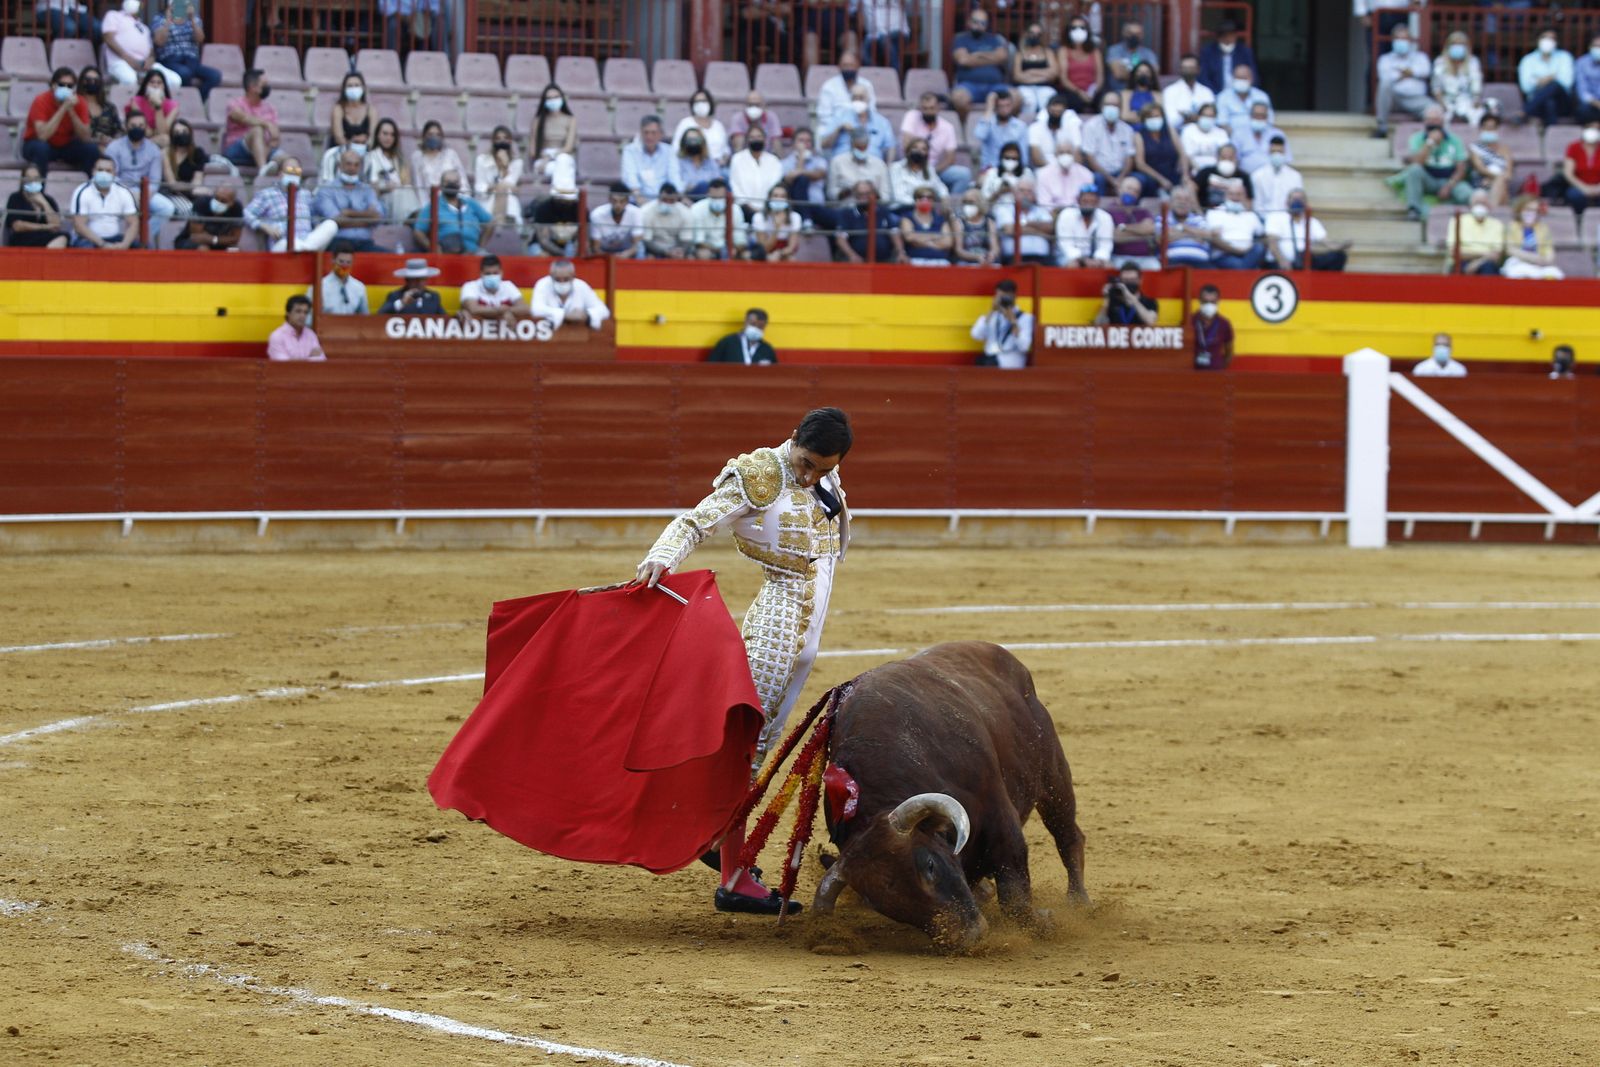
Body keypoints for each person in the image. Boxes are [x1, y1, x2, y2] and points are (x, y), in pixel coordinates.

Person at [634, 407, 853, 914]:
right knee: (749, 748)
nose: (810, 476)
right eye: (805, 463)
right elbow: (695, 520)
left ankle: (717, 842)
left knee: (762, 742)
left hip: (805, 630)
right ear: (793, 439)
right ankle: (732, 876)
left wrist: (822, 476)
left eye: (822, 468)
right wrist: (661, 558)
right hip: (777, 621)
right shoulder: (758, 473)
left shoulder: (825, 470)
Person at [105, 108, 176, 240]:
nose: (137, 128)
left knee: (167, 208)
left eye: (141, 126)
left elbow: (155, 180)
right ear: (126, 127)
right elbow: (112, 176)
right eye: (133, 126)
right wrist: (129, 193)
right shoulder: (114, 147)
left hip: (145, 193)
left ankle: (139, 238)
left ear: (146, 128)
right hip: (119, 192)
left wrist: (145, 195)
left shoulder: (153, 150)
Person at [243, 158, 337, 252]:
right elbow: (246, 213)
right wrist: (265, 226)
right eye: (289, 170)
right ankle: (307, 250)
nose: (293, 174)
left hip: (306, 239)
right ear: (280, 174)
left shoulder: (306, 194)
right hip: (282, 242)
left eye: (297, 171)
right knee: (292, 244)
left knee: (331, 224)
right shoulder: (267, 194)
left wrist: (317, 224)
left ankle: (305, 248)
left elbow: (313, 216)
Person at [1395, 105, 1470, 221]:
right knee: (1414, 170)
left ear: (1442, 121)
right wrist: (1430, 143)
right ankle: (1414, 210)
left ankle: (1469, 215)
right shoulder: (1417, 138)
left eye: (1436, 120)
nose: (1433, 123)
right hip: (1428, 178)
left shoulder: (1455, 140)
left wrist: (1449, 186)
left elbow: (1461, 167)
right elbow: (1417, 162)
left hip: (1449, 179)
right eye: (1429, 120)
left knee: (1466, 193)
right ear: (1424, 121)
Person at [22, 69, 99, 177]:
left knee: (91, 149)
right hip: (37, 143)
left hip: (65, 145)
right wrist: (63, 108)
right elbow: (42, 136)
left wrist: (71, 111)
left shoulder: (80, 102)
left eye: (70, 86)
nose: (65, 88)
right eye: (61, 85)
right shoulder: (41, 100)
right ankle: (39, 190)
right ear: (53, 86)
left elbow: (86, 137)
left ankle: (85, 189)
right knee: (41, 149)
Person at [901, 91, 972, 196]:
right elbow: (906, 146)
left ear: (938, 108)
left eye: (932, 108)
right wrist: (920, 168)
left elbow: (950, 158)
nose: (928, 112)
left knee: (964, 174)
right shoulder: (911, 116)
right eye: (925, 108)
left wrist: (932, 171)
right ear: (920, 108)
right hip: (913, 164)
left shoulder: (947, 127)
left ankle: (952, 207)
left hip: (935, 168)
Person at [313, 150, 385, 253]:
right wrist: (367, 217)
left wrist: (348, 213)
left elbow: (378, 218)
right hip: (338, 243)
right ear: (340, 166)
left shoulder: (367, 189)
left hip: (364, 242)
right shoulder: (326, 190)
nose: (352, 168)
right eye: (348, 164)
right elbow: (335, 221)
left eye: (356, 165)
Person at [152, 0, 221, 106]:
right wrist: (168, 20)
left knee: (215, 76)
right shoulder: (159, 19)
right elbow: (159, 41)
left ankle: (197, 102)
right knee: (185, 73)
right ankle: (185, 104)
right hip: (170, 60)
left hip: (191, 60)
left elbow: (200, 38)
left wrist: (192, 19)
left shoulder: (194, 19)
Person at [101, 0, 180, 92]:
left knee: (175, 80)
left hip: (144, 66)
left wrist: (150, 60)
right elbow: (108, 38)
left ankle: (161, 105)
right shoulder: (113, 15)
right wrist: (128, 59)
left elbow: (151, 52)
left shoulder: (144, 27)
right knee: (129, 79)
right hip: (120, 62)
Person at [949, 7, 1011, 121]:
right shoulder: (960, 39)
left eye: (982, 23)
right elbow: (963, 60)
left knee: (1016, 98)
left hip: (995, 85)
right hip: (968, 85)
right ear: (969, 22)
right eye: (975, 22)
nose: (978, 25)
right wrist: (991, 57)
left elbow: (1002, 57)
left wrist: (975, 55)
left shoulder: (994, 39)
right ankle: (966, 127)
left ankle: (1001, 127)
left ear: (986, 25)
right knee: (958, 98)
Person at [1265, 189, 1349, 271]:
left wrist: (1340, 247)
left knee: (1339, 256)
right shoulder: (1276, 218)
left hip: (1306, 262)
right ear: (1287, 202)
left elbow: (1327, 243)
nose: (1297, 201)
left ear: (1306, 203)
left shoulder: (1312, 222)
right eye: (1294, 199)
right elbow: (1273, 244)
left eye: (1301, 199)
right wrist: (1282, 260)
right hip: (1281, 263)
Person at [1374, 25, 1433, 138]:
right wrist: (1411, 73)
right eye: (1398, 38)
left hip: (1416, 100)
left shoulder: (1420, 57)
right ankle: (1382, 128)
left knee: (1435, 109)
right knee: (1384, 85)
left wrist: (1402, 73)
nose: (1401, 41)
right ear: (1393, 41)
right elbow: (1385, 77)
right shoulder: (1385, 59)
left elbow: (1425, 71)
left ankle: (1430, 136)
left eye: (1404, 38)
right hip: (1394, 100)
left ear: (1410, 41)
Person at [413, 169, 491, 254]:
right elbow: (418, 231)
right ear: (441, 185)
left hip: (473, 252)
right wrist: (434, 248)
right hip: (447, 253)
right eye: (448, 182)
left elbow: (491, 222)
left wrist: (480, 246)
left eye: (455, 182)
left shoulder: (470, 202)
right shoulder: (433, 205)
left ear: (460, 184)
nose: (452, 185)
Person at [69, 155, 138, 248]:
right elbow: (79, 225)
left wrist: (125, 244)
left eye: (108, 171)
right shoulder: (82, 192)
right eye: (100, 170)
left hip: (115, 237)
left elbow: (133, 222)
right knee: (86, 248)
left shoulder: (123, 191)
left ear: (114, 174)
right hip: (88, 239)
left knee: (139, 247)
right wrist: (102, 244)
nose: (104, 174)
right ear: (93, 171)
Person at [221, 69, 281, 171]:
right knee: (257, 130)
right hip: (236, 150)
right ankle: (263, 169)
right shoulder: (235, 103)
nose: (268, 87)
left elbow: (275, 138)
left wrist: (265, 150)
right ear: (253, 87)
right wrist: (266, 124)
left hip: (264, 150)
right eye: (264, 84)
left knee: (288, 160)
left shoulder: (270, 108)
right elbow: (241, 117)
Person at [364, 118, 419, 225]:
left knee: (407, 190)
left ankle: (413, 220)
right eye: (385, 134)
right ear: (377, 135)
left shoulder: (400, 159)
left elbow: (406, 182)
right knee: (398, 194)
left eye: (392, 135)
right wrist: (385, 187)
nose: (388, 138)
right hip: (382, 198)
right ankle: (405, 224)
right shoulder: (370, 157)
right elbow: (370, 187)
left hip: (401, 196)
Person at [821, 83, 896, 162]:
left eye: (861, 98)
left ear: (868, 99)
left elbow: (891, 147)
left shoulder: (882, 122)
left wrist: (888, 168)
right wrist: (839, 129)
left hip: (873, 165)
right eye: (855, 98)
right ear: (850, 99)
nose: (858, 101)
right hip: (845, 164)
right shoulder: (839, 117)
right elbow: (824, 145)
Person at [968, 279, 1034, 369]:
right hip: (989, 359)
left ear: (1014, 296)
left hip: (1010, 362)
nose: (1003, 300)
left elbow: (1024, 346)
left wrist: (1013, 322)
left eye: (1005, 297)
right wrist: (991, 311)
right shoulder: (991, 316)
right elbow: (976, 335)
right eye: (1000, 297)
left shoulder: (1025, 318)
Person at [1519, 28, 1575, 133]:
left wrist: (1539, 80)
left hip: (1562, 104)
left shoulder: (1565, 57)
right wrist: (1552, 76)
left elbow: (1567, 82)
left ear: (1557, 42)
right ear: (1537, 40)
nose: (1548, 41)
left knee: (1554, 86)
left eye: (1552, 38)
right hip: (1537, 103)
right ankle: (1551, 137)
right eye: (1545, 37)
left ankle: (1524, 112)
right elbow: (1526, 87)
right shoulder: (1528, 60)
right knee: (1549, 101)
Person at [1081, 91, 1137, 195]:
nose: (1111, 108)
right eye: (1108, 105)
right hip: (1100, 172)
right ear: (1102, 107)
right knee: (1098, 179)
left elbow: (1130, 159)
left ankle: (1130, 210)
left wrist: (1121, 178)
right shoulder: (1091, 126)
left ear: (1120, 108)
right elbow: (1090, 157)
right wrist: (1111, 180)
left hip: (1121, 173)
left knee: (1140, 179)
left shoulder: (1127, 129)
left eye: (1115, 105)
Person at [530, 258, 611, 329]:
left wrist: (585, 315)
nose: (562, 283)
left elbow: (604, 311)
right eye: (557, 279)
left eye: (566, 279)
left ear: (573, 277)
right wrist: (566, 315)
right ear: (551, 276)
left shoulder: (581, 286)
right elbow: (536, 310)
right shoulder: (543, 284)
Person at [832, 180, 901, 263]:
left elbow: (894, 233)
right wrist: (852, 256)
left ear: (874, 194)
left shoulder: (884, 211)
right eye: (860, 194)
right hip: (856, 262)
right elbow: (840, 239)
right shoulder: (847, 214)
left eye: (867, 193)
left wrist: (901, 252)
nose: (864, 197)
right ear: (855, 196)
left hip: (885, 261)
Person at [1431, 31, 1485, 131]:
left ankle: (1473, 141)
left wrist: (1476, 101)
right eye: (1454, 44)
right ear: (1448, 46)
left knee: (1478, 114)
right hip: (1446, 100)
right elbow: (1436, 88)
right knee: (1437, 116)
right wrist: (1442, 104)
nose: (1458, 47)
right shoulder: (1440, 62)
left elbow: (1476, 85)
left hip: (1466, 100)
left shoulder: (1473, 62)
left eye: (1461, 44)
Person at [472, 125, 523, 228]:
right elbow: (479, 186)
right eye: (498, 138)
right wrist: (492, 188)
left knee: (509, 203)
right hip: (487, 198)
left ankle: (502, 229)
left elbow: (508, 185)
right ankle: (496, 228)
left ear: (510, 141)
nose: (502, 141)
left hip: (509, 199)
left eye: (505, 138)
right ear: (493, 141)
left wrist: (505, 167)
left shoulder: (517, 163)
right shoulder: (481, 160)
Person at [5, 165, 68, 249]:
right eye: (29, 178)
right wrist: (44, 227)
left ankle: (47, 261)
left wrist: (44, 203)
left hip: (45, 237)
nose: (32, 181)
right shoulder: (15, 198)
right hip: (23, 237)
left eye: (36, 178)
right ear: (23, 180)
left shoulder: (48, 199)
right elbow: (17, 226)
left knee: (63, 237)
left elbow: (56, 225)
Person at [1204, 183, 1266, 269]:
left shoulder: (1251, 215)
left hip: (1248, 254)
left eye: (1239, 194)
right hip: (1224, 254)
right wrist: (1238, 251)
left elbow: (1262, 235)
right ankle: (1244, 274)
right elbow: (1214, 238)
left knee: (1259, 248)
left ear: (1245, 196)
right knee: (1239, 265)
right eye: (1231, 194)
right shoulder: (1215, 212)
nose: (1235, 197)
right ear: (1226, 196)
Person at [1132, 102, 1187, 197]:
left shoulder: (1170, 130)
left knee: (1189, 185)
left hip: (1172, 173)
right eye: (1150, 117)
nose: (1154, 119)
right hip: (1152, 176)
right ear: (1144, 120)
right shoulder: (1139, 136)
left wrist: (1185, 175)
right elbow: (1140, 164)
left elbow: (1182, 153)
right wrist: (1161, 180)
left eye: (1157, 116)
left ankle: (1198, 211)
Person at [1501, 196, 1562, 280]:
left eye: (1535, 210)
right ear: (1520, 210)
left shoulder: (1543, 228)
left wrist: (1545, 261)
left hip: (1539, 263)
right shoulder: (1512, 226)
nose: (1531, 213)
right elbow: (1510, 249)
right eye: (1528, 209)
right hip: (1519, 261)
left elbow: (1549, 251)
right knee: (1519, 273)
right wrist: (1532, 258)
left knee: (1555, 274)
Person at [686, 177, 749, 259]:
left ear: (726, 196)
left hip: (730, 249)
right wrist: (720, 251)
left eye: (720, 198)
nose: (717, 201)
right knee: (703, 254)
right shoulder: (697, 209)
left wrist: (731, 249)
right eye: (714, 198)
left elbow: (740, 240)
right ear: (708, 195)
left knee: (746, 255)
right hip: (707, 249)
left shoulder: (736, 210)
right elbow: (699, 241)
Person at [621, 115, 680, 202]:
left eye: (653, 133)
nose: (649, 137)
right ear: (641, 133)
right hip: (638, 200)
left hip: (665, 200)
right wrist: (639, 198)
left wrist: (677, 195)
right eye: (646, 132)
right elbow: (630, 177)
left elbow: (674, 176)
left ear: (660, 134)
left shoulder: (669, 151)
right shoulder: (630, 151)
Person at [815, 52, 876, 134]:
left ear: (857, 66)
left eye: (851, 65)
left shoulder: (866, 85)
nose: (848, 68)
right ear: (839, 67)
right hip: (835, 131)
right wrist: (840, 126)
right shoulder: (829, 87)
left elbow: (872, 110)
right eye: (845, 65)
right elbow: (824, 116)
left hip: (862, 129)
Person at [458, 254, 529, 323]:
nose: (492, 276)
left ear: (501, 273)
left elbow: (525, 308)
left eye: (495, 273)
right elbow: (473, 309)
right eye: (488, 274)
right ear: (481, 274)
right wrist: (501, 311)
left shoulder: (508, 286)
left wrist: (508, 311)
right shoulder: (470, 286)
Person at [1056, 184, 1114, 268]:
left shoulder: (1105, 217)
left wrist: (1098, 259)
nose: (1088, 205)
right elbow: (1066, 244)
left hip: (1095, 259)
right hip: (1069, 257)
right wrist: (1082, 260)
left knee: (1108, 266)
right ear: (1078, 201)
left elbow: (1106, 245)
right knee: (1073, 265)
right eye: (1085, 201)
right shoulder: (1066, 214)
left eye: (1092, 202)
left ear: (1097, 202)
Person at [1108, 174, 1158, 270]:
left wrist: (1124, 228)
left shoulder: (1142, 210)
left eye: (1136, 191)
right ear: (1119, 189)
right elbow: (1116, 237)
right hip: (1120, 257)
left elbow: (1149, 229)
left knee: (1156, 267)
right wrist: (1140, 232)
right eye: (1129, 188)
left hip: (1144, 258)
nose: (1132, 193)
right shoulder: (1110, 210)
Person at [1012, 21, 1062, 118]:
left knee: (1047, 100)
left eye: (1038, 34)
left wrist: (1031, 72)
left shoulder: (1048, 52)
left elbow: (1054, 73)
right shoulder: (1020, 53)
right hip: (1024, 87)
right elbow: (1017, 76)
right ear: (1027, 34)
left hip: (1045, 87)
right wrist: (1044, 75)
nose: (1034, 36)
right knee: (1029, 102)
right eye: (1032, 33)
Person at [530, 84, 579, 180]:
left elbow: (568, 147)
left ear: (562, 98)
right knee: (557, 169)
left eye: (556, 97)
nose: (553, 101)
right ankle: (566, 194)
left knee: (562, 162)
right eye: (549, 98)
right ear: (544, 101)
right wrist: (545, 157)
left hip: (563, 156)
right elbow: (533, 151)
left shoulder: (571, 119)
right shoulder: (537, 120)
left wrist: (552, 156)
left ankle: (558, 194)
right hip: (543, 158)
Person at [173, 182, 242, 250]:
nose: (218, 202)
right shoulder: (201, 203)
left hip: (220, 244)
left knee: (235, 251)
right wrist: (224, 239)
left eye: (223, 201)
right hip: (189, 241)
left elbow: (235, 239)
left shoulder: (237, 208)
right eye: (216, 198)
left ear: (231, 203)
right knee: (203, 249)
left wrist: (213, 239)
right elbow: (197, 236)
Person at [972, 90, 1029, 173]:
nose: (1004, 109)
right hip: (990, 170)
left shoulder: (1020, 126)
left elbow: (1023, 156)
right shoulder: (988, 122)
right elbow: (980, 135)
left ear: (1012, 106)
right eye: (1001, 106)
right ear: (996, 107)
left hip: (1013, 170)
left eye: (1007, 106)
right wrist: (989, 109)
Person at [827, 127, 890, 201]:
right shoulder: (837, 162)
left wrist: (871, 191)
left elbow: (886, 196)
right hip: (846, 208)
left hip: (873, 208)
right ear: (851, 144)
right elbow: (830, 194)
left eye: (864, 147)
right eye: (858, 147)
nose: (861, 150)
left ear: (868, 144)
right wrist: (848, 191)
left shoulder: (879, 164)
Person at [1056, 13, 1103, 112]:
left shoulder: (1095, 51)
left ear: (1087, 30)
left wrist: (1093, 91)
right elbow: (1063, 79)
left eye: (1082, 27)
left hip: (1092, 91)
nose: (1078, 30)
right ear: (1069, 31)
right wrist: (1079, 92)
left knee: (1105, 99)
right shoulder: (1064, 51)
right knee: (1075, 102)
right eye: (1074, 28)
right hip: (1072, 91)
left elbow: (1100, 76)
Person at [781, 126, 831, 218]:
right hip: (795, 208)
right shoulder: (785, 163)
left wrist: (799, 171)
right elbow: (789, 181)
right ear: (793, 144)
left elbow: (818, 175)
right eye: (801, 141)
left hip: (817, 207)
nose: (805, 144)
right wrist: (801, 158)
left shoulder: (820, 161)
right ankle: (806, 220)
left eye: (808, 141)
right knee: (801, 179)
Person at [729, 126, 782, 211]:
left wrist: (766, 206)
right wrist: (747, 205)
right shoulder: (737, 159)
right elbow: (735, 186)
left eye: (759, 136)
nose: (756, 140)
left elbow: (775, 185)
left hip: (769, 208)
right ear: (747, 140)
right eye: (752, 137)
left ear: (765, 139)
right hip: (744, 207)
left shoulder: (774, 161)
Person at [898, 185, 953, 265]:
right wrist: (936, 236)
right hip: (915, 260)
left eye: (929, 197)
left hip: (940, 261)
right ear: (915, 200)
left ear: (933, 200)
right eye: (921, 197)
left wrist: (921, 240)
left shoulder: (941, 219)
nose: (925, 200)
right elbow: (909, 237)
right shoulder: (907, 218)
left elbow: (948, 242)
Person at [1199, 19, 1257, 95]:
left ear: (1235, 36)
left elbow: (1253, 76)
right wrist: (1215, 95)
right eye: (1224, 37)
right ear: (1218, 38)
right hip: (1215, 94)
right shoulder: (1208, 52)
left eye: (1231, 36)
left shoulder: (1244, 52)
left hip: (1240, 95)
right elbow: (1204, 78)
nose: (1228, 40)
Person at [1027, 92, 1083, 170]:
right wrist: (1054, 172)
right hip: (1044, 170)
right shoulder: (1035, 127)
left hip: (1069, 169)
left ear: (1064, 111)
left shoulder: (1072, 126)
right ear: (1047, 109)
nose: (1056, 112)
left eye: (1059, 111)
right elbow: (1036, 159)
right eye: (1053, 110)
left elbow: (1078, 157)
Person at [309, 242, 369, 314]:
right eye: (341, 261)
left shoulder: (359, 287)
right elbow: (310, 315)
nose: (344, 266)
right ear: (333, 260)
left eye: (348, 262)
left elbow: (365, 316)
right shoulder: (319, 287)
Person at [888, 138, 948, 209]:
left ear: (927, 154)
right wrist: (921, 204)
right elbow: (899, 196)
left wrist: (944, 198)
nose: (919, 151)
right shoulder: (896, 168)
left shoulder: (929, 169)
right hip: (902, 209)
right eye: (915, 147)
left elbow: (940, 187)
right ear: (908, 151)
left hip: (925, 210)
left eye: (923, 149)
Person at [674, 89, 729, 165]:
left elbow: (726, 151)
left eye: (704, 101)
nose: (701, 104)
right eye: (697, 102)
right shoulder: (685, 123)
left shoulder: (718, 126)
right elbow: (676, 149)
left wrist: (722, 162)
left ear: (710, 103)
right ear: (692, 105)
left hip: (718, 168)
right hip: (692, 168)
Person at [1161, 186, 1214, 267]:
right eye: (1178, 198)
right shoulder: (1163, 218)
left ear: (1191, 204)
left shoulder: (1199, 219)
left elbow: (1208, 235)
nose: (1182, 202)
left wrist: (1181, 229)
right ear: (1171, 202)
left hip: (1200, 262)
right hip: (1172, 261)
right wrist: (1193, 234)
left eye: (1186, 199)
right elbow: (1161, 238)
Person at [588, 182, 644, 258]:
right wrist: (610, 258)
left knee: (641, 248)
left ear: (627, 200)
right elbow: (595, 247)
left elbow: (636, 245)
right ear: (609, 199)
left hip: (627, 253)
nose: (618, 205)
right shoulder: (597, 214)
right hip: (604, 253)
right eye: (614, 201)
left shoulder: (636, 213)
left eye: (622, 201)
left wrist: (625, 255)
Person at [1249, 136, 1303, 213]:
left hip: (1287, 218)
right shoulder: (1257, 175)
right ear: (1268, 152)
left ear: (1284, 152)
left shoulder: (1295, 176)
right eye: (1274, 152)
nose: (1277, 155)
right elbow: (1257, 203)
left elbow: (1297, 202)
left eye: (1280, 152)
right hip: (1265, 219)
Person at [1094, 261, 1157, 326]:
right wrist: (1106, 299)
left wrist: (1130, 297)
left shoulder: (1149, 302)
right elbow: (1098, 325)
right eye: (1125, 280)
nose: (1128, 283)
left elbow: (1150, 321)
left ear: (1140, 280)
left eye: (1132, 280)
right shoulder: (1113, 301)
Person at [529, 176, 581, 256]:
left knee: (573, 251)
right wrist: (561, 254)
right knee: (540, 254)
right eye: (563, 201)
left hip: (568, 245)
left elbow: (583, 238)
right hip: (543, 246)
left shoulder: (580, 209)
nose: (566, 203)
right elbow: (543, 240)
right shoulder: (544, 208)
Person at [1468, 114, 1512, 207]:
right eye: (1486, 128)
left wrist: (1495, 180)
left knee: (1502, 184)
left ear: (1497, 130)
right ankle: (1495, 210)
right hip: (1481, 183)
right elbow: (1480, 168)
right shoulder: (1475, 148)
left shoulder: (1505, 150)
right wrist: (1496, 177)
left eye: (1492, 128)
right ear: (1481, 129)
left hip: (1499, 183)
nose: (1489, 131)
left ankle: (1493, 209)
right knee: (1501, 183)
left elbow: (1509, 173)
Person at [1561, 119, 1600, 225]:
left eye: (1597, 128)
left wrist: (1598, 188)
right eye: (1592, 128)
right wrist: (1584, 188)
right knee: (1574, 195)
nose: (1595, 131)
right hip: (1579, 185)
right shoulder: (1573, 147)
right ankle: (1579, 221)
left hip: (1598, 186)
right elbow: (1568, 173)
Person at [1035, 142, 1094, 211]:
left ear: (1074, 155)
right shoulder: (1043, 174)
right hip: (1053, 214)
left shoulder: (1086, 174)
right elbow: (1044, 203)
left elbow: (1087, 201)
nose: (1065, 156)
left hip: (1078, 214)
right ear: (1056, 155)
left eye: (1068, 153)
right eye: (1061, 153)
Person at [1231, 102, 1287, 174]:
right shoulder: (1239, 134)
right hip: (1247, 177)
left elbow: (1286, 160)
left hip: (1271, 177)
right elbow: (1234, 159)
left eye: (1262, 116)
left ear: (1267, 117)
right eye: (1256, 115)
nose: (1259, 118)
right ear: (1250, 116)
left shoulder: (1277, 134)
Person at [411, 120, 465, 195]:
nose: (434, 137)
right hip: (429, 201)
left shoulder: (451, 154)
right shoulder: (417, 157)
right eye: (430, 134)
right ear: (424, 136)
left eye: (438, 134)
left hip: (452, 200)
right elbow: (418, 186)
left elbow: (463, 181)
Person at [127, 69, 177, 148]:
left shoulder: (173, 105)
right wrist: (154, 132)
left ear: (164, 86)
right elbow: (147, 132)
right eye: (152, 82)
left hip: (160, 140)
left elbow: (162, 131)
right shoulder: (135, 101)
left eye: (159, 83)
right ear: (145, 85)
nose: (155, 85)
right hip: (140, 138)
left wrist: (158, 106)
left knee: (165, 139)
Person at [1104, 19, 1159, 93]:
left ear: (1142, 35)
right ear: (1124, 33)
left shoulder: (1149, 54)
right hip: (1118, 93)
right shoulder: (1114, 50)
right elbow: (1119, 74)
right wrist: (1142, 74)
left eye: (1137, 34)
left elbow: (1153, 74)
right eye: (1130, 33)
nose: (1134, 36)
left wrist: (1127, 72)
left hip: (1142, 94)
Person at [641, 183, 694, 259]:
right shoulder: (646, 211)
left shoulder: (685, 212)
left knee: (690, 258)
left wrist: (680, 250)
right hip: (654, 249)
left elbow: (686, 239)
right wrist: (666, 252)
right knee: (649, 258)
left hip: (677, 249)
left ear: (676, 200)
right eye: (664, 200)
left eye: (671, 201)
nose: (668, 203)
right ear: (658, 198)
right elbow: (647, 240)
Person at [267, 295, 325, 362]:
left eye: (305, 312)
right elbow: (283, 365)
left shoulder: (310, 334)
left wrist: (293, 360)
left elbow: (321, 360)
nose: (302, 316)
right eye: (298, 311)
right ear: (288, 313)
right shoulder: (277, 336)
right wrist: (310, 358)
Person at [1164, 53, 1215, 131]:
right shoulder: (1170, 91)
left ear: (1198, 69)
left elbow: (1212, 117)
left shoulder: (1206, 92)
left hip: (1204, 134)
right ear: (1180, 69)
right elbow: (1171, 121)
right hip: (1179, 134)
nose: (1188, 71)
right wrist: (1198, 117)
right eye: (1185, 68)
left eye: (1191, 68)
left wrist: (1186, 115)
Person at [1216, 65, 1272, 134]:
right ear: (1233, 79)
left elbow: (1269, 121)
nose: (1241, 81)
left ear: (1251, 79)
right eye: (1238, 78)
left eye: (1244, 78)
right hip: (1231, 138)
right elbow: (1221, 123)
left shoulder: (1262, 96)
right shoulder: (1223, 97)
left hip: (1258, 137)